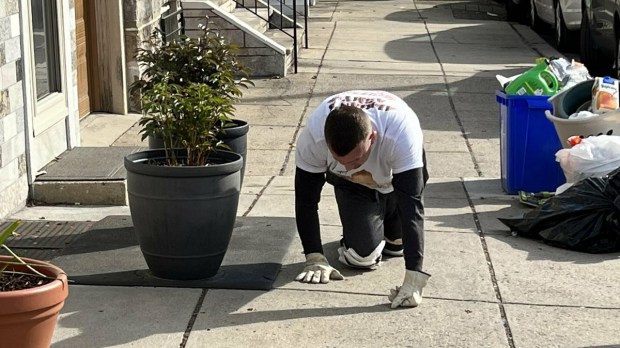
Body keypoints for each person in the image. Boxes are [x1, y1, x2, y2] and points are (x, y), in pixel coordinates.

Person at [293, 90, 430, 309]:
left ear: (372, 138)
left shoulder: (401, 133)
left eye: (356, 159)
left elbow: (412, 206)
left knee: (397, 246)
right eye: (340, 160)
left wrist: (415, 278)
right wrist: (314, 256)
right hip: (354, 185)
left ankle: (385, 222)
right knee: (361, 258)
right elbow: (305, 200)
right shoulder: (314, 136)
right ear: (326, 142)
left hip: (394, 181)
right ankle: (363, 226)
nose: (347, 166)